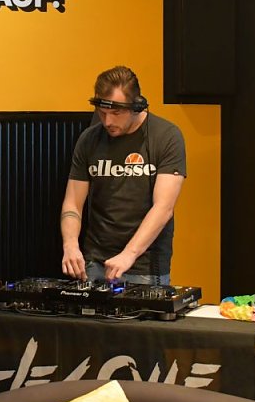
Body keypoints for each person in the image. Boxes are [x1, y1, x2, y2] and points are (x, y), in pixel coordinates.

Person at [60, 66, 186, 285]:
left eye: (116, 113)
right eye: (102, 112)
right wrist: (70, 245)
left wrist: (129, 253)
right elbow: (73, 203)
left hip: (144, 266)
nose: (107, 121)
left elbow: (163, 207)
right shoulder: (89, 139)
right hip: (94, 262)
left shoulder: (166, 137)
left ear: (137, 106)